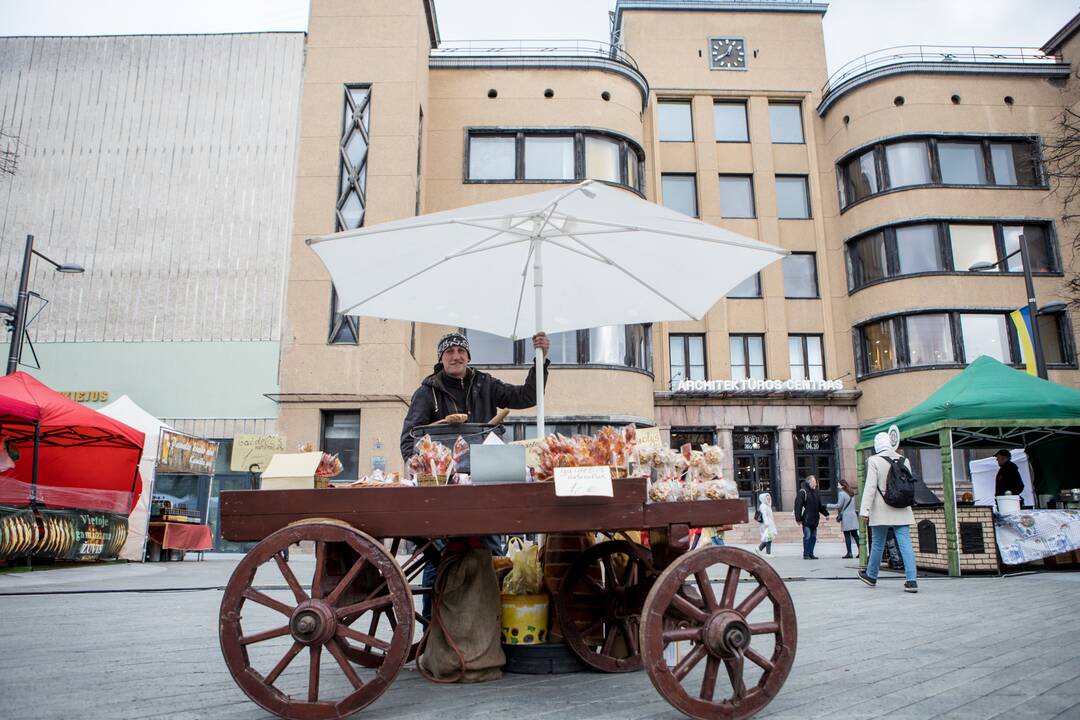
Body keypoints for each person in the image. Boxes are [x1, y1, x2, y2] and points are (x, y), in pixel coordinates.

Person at [402, 330, 550, 620]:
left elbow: (526, 396)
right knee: (439, 554)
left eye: (461, 351)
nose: (456, 356)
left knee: (492, 547)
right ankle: (433, 629)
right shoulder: (427, 391)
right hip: (444, 486)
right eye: (449, 352)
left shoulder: (485, 383)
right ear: (441, 358)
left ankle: (492, 625)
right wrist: (415, 462)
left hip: (486, 479)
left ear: (468, 356)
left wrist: (539, 360)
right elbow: (409, 437)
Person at [859, 431, 919, 593]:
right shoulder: (904, 460)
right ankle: (911, 580)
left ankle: (871, 575)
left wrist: (864, 511)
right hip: (902, 506)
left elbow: (870, 487)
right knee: (905, 543)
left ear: (877, 445)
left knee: (878, 543)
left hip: (882, 509)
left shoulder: (874, 460)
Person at [793, 475, 828, 559]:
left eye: (815, 482)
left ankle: (811, 553)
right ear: (809, 482)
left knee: (813, 537)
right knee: (807, 537)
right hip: (807, 519)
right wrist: (798, 518)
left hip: (815, 519)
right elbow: (798, 506)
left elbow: (819, 506)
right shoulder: (803, 491)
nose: (815, 484)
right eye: (814, 482)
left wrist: (826, 514)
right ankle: (806, 554)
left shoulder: (816, 492)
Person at [827, 479, 860, 559]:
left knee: (847, 535)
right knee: (855, 535)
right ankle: (861, 551)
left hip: (846, 517)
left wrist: (828, 505)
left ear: (842, 485)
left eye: (838, 484)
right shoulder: (851, 493)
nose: (837, 486)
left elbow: (839, 505)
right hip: (853, 516)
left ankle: (849, 553)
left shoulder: (842, 494)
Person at [755, 492, 776, 557]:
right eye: (767, 497)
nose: (768, 498)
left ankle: (760, 549)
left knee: (769, 538)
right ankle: (766, 552)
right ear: (763, 498)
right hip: (766, 524)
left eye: (769, 496)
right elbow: (764, 515)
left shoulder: (767, 505)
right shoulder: (763, 506)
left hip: (769, 523)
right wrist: (766, 523)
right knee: (768, 538)